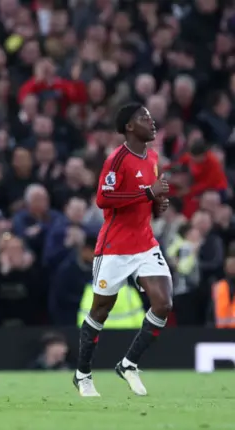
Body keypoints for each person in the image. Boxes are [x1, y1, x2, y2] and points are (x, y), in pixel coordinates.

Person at [73, 103, 172, 397]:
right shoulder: (117, 159)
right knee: (100, 310)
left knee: (163, 302)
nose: (152, 122)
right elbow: (104, 199)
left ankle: (128, 364)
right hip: (114, 247)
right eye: (144, 118)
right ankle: (83, 374)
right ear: (129, 127)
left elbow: (149, 202)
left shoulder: (153, 158)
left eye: (152, 118)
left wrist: (157, 204)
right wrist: (147, 194)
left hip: (145, 243)